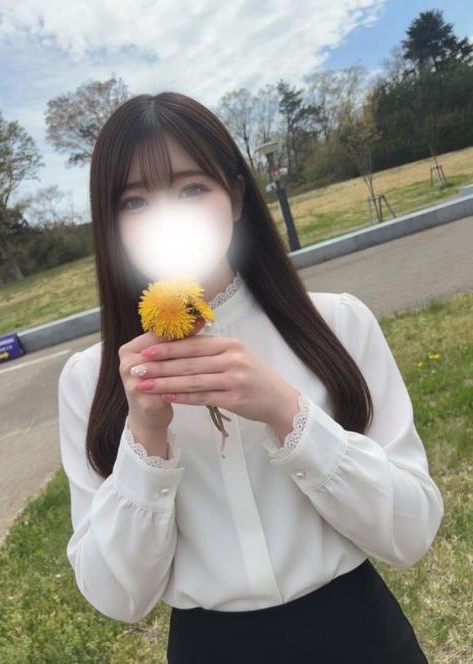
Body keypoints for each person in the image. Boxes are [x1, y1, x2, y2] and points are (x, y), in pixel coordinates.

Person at [57, 91, 444, 663]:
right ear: (111, 224)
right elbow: (117, 597)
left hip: (360, 633)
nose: (167, 218)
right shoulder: (91, 378)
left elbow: (411, 532)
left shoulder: (337, 323)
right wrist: (145, 438)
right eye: (134, 201)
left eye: (192, 188)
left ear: (236, 196)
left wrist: (287, 413)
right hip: (210, 647)